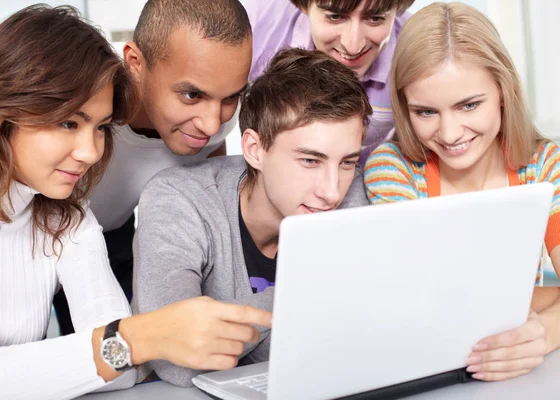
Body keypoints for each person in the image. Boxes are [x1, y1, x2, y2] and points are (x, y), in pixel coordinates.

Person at [0, 6, 271, 399]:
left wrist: (132, 343)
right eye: (69, 123)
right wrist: (141, 338)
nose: (91, 153)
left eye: (102, 127)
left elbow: (120, 373)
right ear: (2, 109)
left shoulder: (68, 217)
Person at [133, 47, 372, 387]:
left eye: (347, 162)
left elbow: (356, 337)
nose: (332, 191)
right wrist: (315, 295)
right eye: (310, 161)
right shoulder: (178, 198)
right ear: (254, 149)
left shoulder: (352, 190)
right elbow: (177, 362)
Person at [364, 2, 560, 382]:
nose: (451, 134)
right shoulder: (393, 168)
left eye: (469, 105)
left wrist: (548, 331)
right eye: (425, 112)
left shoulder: (545, 164)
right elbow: (422, 306)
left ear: (503, 91)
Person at [53, 0, 253, 335]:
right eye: (191, 95)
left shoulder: (217, 118)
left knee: (133, 364)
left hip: (117, 236)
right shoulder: (83, 98)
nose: (211, 123)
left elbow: (211, 206)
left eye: (231, 97)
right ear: (134, 63)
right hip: (35, 232)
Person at [244, 0, 415, 166]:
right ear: (305, 4)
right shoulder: (254, 25)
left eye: (375, 18)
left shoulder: (413, 50)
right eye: (335, 16)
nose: (353, 46)